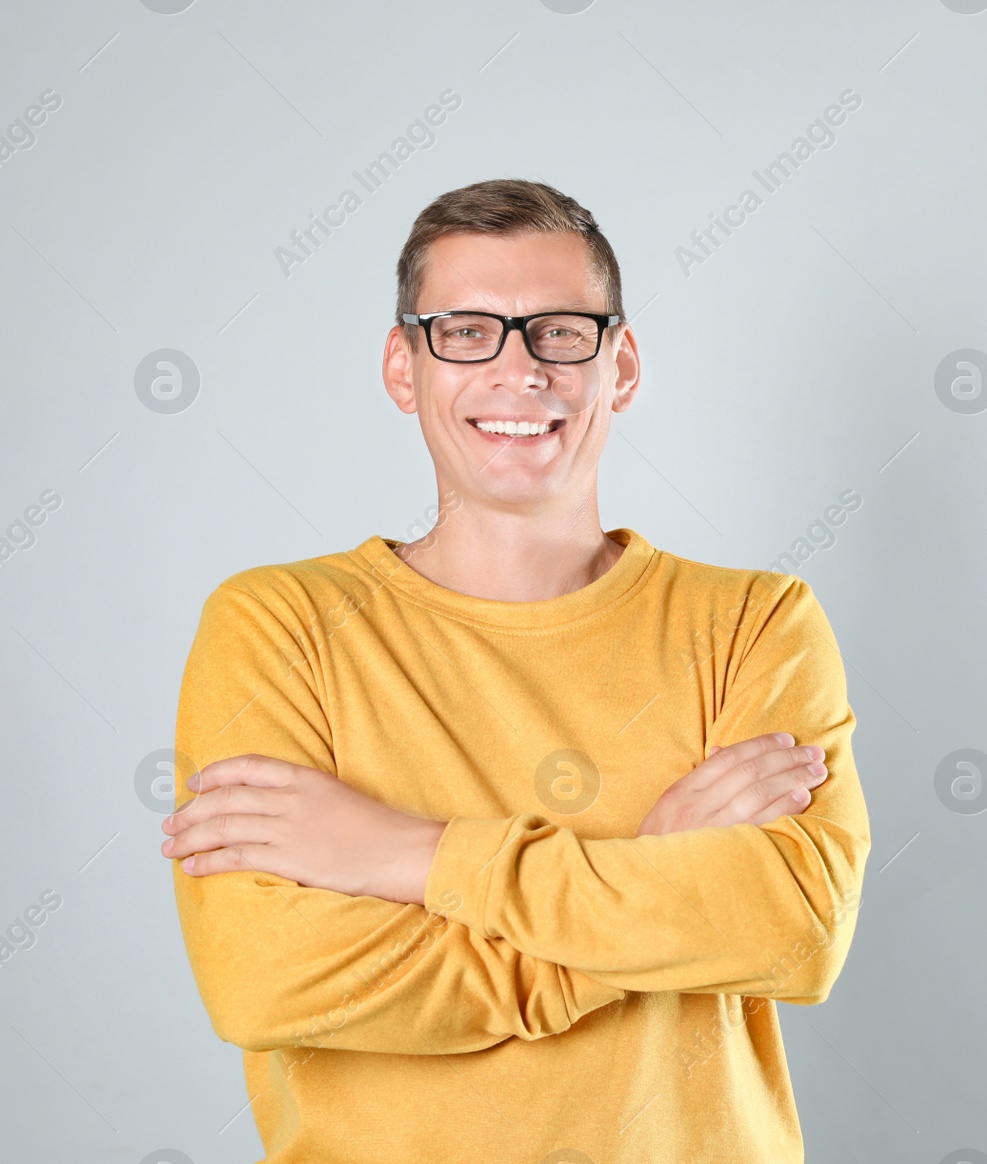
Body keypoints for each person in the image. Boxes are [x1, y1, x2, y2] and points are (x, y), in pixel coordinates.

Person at [158, 178, 869, 1163]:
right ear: (403, 368)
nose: (519, 370)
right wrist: (650, 884)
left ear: (619, 366)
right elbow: (268, 980)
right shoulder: (279, 625)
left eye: (559, 333)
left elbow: (792, 932)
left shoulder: (753, 624)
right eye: (465, 332)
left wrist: (411, 857)